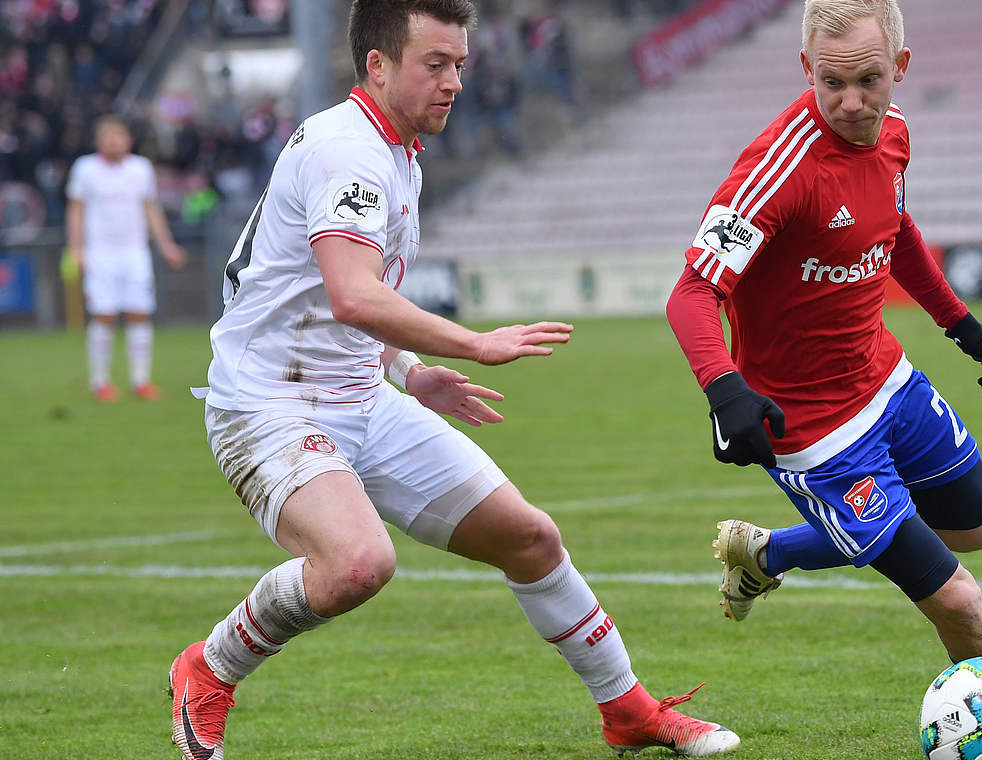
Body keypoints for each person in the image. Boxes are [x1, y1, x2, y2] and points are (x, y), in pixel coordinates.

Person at [167, 2, 739, 758]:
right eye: (434, 65)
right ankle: (208, 669)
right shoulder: (350, 152)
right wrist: (473, 343)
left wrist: (408, 369)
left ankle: (627, 710)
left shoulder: (396, 150)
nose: (454, 83)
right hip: (269, 405)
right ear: (377, 65)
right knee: (358, 564)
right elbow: (353, 294)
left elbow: (339, 306)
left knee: (530, 538)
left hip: (360, 397)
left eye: (460, 65)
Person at [666, 3, 982, 759]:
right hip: (816, 433)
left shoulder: (894, 135)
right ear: (805, 70)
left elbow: (897, 232)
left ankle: (769, 554)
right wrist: (725, 390)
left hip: (889, 382)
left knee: (981, 528)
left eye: (869, 81)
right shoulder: (776, 169)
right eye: (832, 83)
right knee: (959, 602)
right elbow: (691, 294)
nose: (851, 102)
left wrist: (966, 330)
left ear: (900, 68)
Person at [65, 115, 187, 401]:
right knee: (103, 314)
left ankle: (141, 380)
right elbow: (76, 211)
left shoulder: (141, 169)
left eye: (118, 135)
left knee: (139, 312)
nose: (113, 140)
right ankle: (100, 382)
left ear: (128, 139)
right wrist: (76, 248)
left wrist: (167, 245)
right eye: (107, 135)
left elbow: (151, 209)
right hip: (100, 254)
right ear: (98, 140)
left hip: (135, 253)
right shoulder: (85, 169)